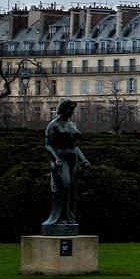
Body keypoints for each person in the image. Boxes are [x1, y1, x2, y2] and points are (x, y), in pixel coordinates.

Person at [42, 98, 91, 230]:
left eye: (72, 109)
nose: (71, 112)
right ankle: (57, 218)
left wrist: (84, 160)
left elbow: (75, 147)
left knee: (72, 189)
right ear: (62, 109)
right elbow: (48, 146)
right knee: (64, 186)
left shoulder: (72, 125)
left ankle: (69, 218)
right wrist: (56, 158)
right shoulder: (53, 125)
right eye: (69, 109)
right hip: (60, 159)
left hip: (72, 159)